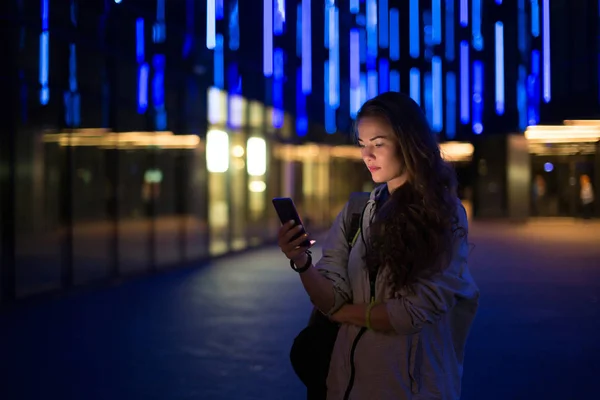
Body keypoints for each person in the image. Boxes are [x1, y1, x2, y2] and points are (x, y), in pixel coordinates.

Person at [278, 92, 479, 400]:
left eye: (378, 143)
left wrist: (343, 314)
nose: (367, 155)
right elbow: (329, 298)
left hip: (414, 389)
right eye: (361, 144)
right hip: (346, 387)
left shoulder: (445, 214)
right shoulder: (357, 210)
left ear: (409, 142)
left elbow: (411, 313)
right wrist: (302, 262)